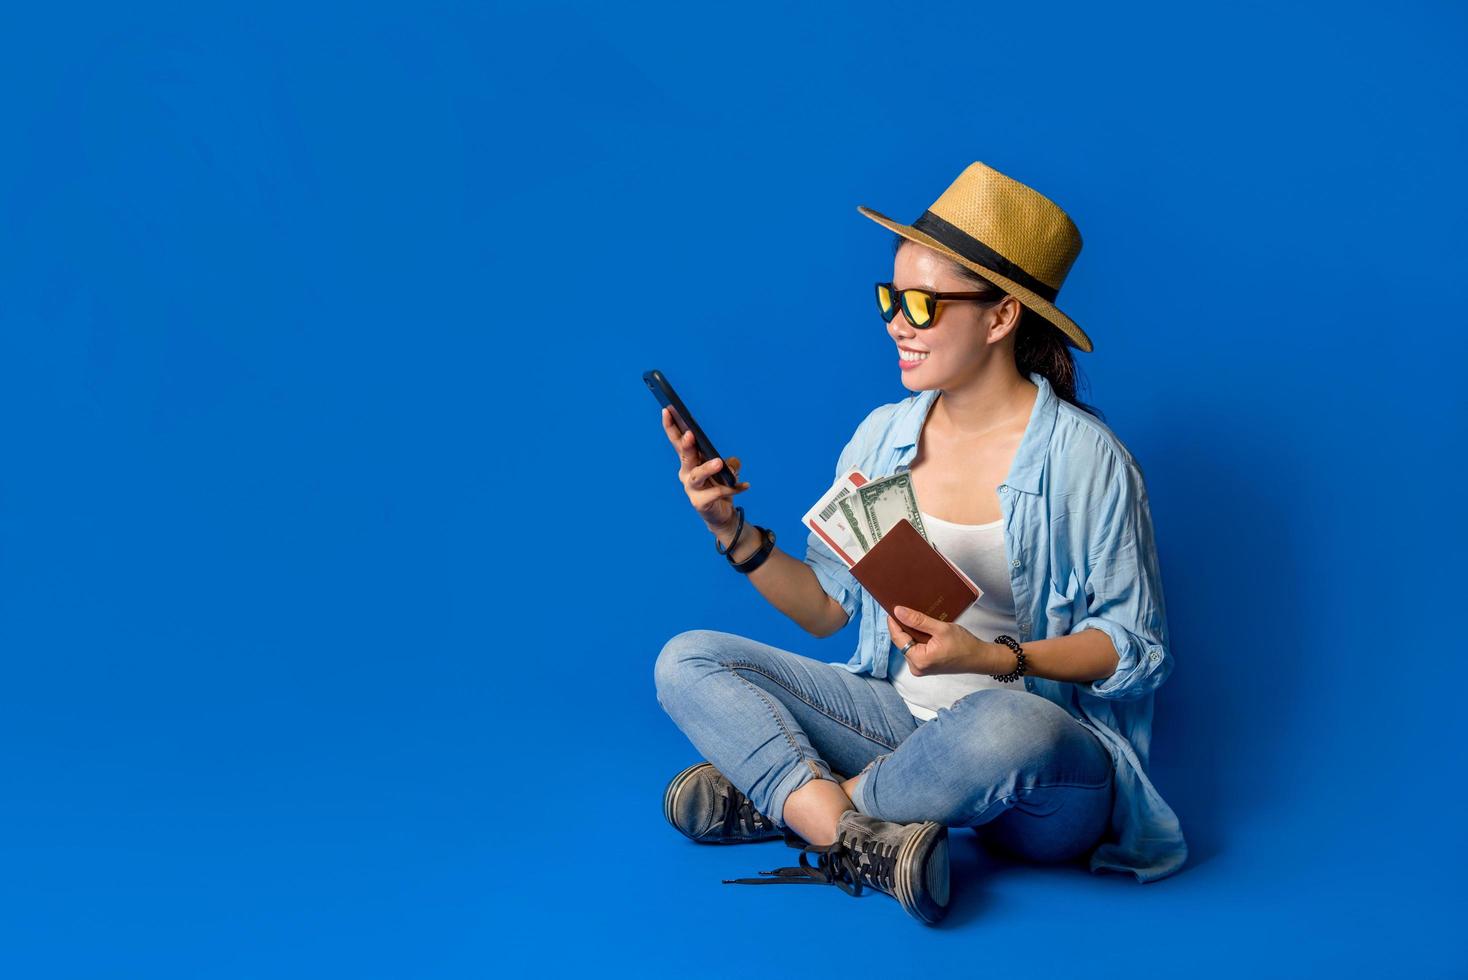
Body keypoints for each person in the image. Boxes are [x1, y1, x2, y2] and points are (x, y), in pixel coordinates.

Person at [653, 161, 1187, 925]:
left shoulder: (1084, 458)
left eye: (921, 304)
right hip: (900, 728)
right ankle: (859, 837)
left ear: (1001, 317)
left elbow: (1136, 649)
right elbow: (828, 610)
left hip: (1041, 777)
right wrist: (731, 532)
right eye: (888, 299)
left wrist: (992, 659)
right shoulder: (883, 436)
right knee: (687, 658)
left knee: (1009, 721)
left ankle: (791, 805)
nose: (896, 323)